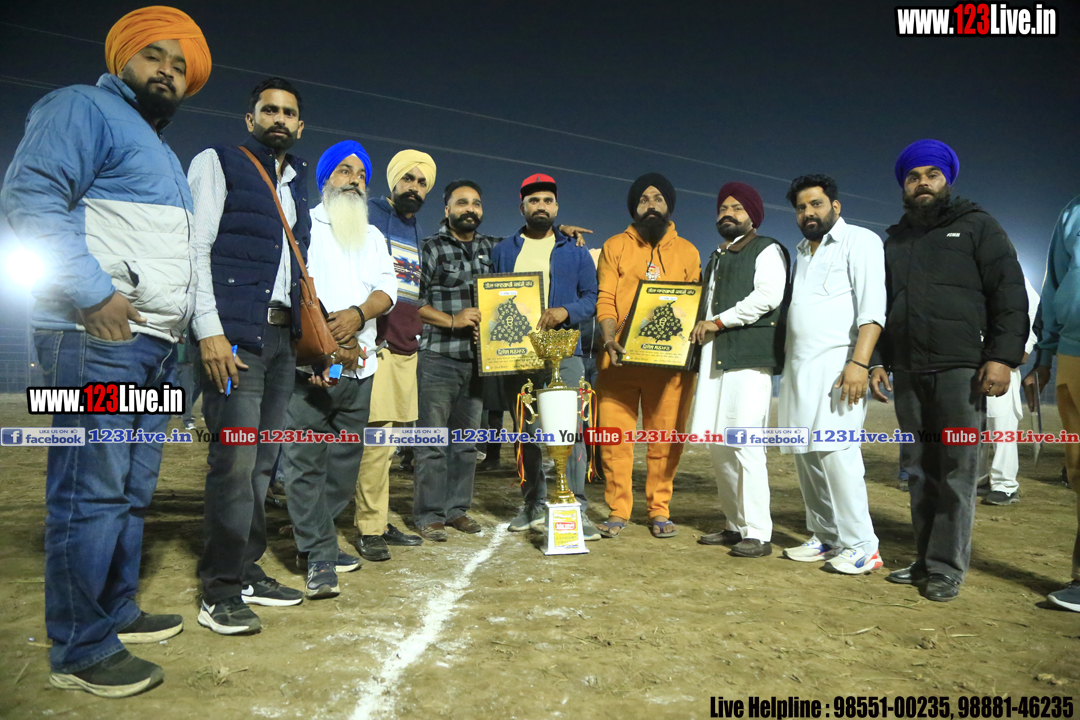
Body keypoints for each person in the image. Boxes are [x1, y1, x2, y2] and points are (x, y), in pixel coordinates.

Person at [0, 6, 210, 697]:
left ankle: (116, 610)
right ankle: (80, 648)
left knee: (130, 489)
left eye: (179, 65)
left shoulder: (158, 149)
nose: (168, 72)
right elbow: (31, 196)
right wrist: (92, 293)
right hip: (96, 337)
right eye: (155, 57)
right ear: (123, 58)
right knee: (89, 490)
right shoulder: (81, 107)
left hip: (153, 345)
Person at [870, 140, 1029, 601]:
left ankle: (946, 567)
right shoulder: (896, 241)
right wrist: (880, 359)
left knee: (958, 468)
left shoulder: (978, 226)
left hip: (962, 370)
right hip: (909, 370)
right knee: (919, 469)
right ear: (903, 185)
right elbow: (883, 305)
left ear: (947, 180)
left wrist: (1002, 357)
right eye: (913, 176)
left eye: (931, 175)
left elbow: (1009, 294)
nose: (922, 183)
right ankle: (924, 559)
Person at [188, 77, 310, 634]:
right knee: (235, 463)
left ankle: (246, 569)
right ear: (250, 118)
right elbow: (196, 247)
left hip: (282, 341)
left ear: (300, 125)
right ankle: (219, 589)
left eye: (288, 112)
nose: (278, 119)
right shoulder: (218, 161)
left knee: (263, 464)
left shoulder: (296, 184)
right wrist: (209, 331)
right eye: (269, 110)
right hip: (235, 338)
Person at [279, 141, 396, 597]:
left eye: (361, 174)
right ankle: (319, 556)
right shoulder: (302, 225)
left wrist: (358, 315)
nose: (354, 180)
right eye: (344, 171)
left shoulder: (373, 235)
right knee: (305, 462)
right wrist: (326, 344)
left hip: (361, 369)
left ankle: (315, 541)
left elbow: (388, 289)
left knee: (343, 468)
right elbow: (297, 288)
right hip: (313, 367)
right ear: (326, 178)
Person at [779, 174, 886, 576]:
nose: (808, 212)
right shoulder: (802, 252)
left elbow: (873, 308)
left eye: (816, 204)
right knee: (806, 456)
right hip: (798, 371)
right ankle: (826, 536)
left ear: (835, 206)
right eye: (801, 207)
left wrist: (860, 363)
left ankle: (863, 546)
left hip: (839, 370)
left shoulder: (860, 241)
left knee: (838, 456)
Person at [492, 173, 599, 539]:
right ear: (522, 207)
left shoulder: (576, 251)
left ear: (557, 207)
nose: (541, 206)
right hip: (517, 354)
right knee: (525, 430)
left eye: (548, 201)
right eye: (534, 200)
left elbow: (591, 298)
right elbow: (492, 298)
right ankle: (533, 504)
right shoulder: (503, 250)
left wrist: (564, 311)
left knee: (571, 429)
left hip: (564, 351)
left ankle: (576, 506)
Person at [595, 173, 701, 539]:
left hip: (668, 366)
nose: (651, 205)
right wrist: (609, 338)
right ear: (633, 208)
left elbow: (692, 304)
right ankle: (618, 509)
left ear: (669, 206)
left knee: (665, 440)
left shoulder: (688, 252)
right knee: (614, 439)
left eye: (658, 198)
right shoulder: (614, 246)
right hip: (619, 361)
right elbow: (606, 297)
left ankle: (659, 509)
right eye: (643, 199)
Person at [690, 182, 789, 558]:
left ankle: (759, 532)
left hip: (747, 360)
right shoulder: (716, 257)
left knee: (745, 445)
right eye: (722, 208)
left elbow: (768, 297)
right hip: (714, 360)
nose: (728, 213)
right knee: (719, 447)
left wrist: (718, 321)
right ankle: (735, 525)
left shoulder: (767, 249)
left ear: (753, 215)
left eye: (737, 208)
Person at [352, 150, 435, 561]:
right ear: (393, 181)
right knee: (377, 443)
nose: (414, 187)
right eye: (408, 179)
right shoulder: (369, 214)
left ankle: (379, 519)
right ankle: (369, 527)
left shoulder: (414, 227)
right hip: (377, 344)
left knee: (390, 443)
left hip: (406, 346)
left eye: (421, 182)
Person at [413, 180, 499, 541]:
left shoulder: (492, 248)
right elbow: (412, 301)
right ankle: (429, 514)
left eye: (476, 203)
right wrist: (453, 320)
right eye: (462, 203)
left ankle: (456, 510)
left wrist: (561, 231)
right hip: (438, 357)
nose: (470, 209)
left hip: (477, 361)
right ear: (447, 210)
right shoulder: (430, 247)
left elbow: (528, 245)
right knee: (432, 441)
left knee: (466, 443)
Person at [1022, 194, 1080, 611]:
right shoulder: (1073, 212)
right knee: (1079, 469)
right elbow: (1056, 283)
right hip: (1074, 351)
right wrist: (1044, 356)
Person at [978, 276, 1040, 505]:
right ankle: (977, 477)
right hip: (968, 358)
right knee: (972, 425)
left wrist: (1025, 346)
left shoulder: (1010, 272)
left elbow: (1032, 310)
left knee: (1000, 424)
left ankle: (1004, 484)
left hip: (1001, 359)